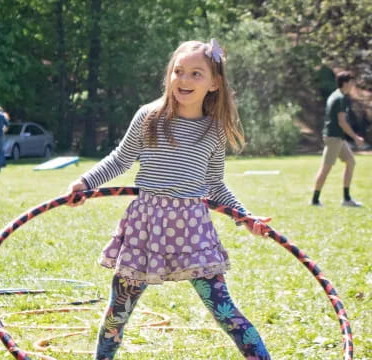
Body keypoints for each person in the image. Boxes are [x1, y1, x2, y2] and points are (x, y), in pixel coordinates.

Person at [66, 39, 271, 360]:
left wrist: (245, 217)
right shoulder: (149, 117)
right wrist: (85, 183)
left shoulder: (214, 131)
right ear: (169, 75)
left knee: (225, 310)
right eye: (178, 71)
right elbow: (120, 160)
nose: (184, 80)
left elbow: (215, 185)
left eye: (195, 74)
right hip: (145, 228)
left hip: (192, 231)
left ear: (214, 83)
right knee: (117, 314)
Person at [311, 71, 364, 207]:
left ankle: (346, 199)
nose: (353, 85)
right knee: (326, 168)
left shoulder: (337, 96)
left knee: (350, 162)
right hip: (334, 138)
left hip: (337, 138)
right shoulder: (339, 98)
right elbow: (342, 122)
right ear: (345, 83)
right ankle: (315, 200)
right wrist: (355, 137)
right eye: (351, 82)